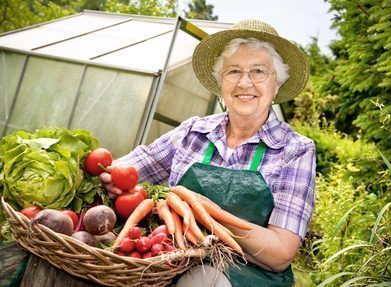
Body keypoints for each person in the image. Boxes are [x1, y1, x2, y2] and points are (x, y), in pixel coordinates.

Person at [101, 19, 316, 287]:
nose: (245, 82)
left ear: (277, 85)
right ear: (221, 83)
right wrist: (107, 176)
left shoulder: (294, 150)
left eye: (259, 71)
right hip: (169, 260)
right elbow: (129, 168)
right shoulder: (193, 131)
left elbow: (280, 252)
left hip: (246, 276)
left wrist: (204, 212)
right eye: (234, 71)